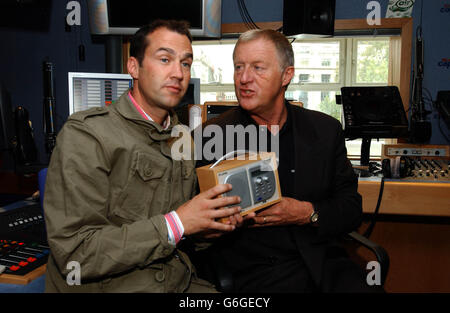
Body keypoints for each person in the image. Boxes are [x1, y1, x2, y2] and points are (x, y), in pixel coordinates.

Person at [43, 20, 242, 293]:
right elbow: (76, 253)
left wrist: (208, 226)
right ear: (133, 67)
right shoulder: (87, 135)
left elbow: (181, 231)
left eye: (185, 63)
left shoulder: (181, 137)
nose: (178, 73)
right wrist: (178, 223)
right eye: (164, 59)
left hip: (177, 281)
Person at [193, 29, 381, 292]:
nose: (244, 78)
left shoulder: (325, 131)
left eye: (258, 68)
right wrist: (214, 226)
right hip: (249, 274)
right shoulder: (208, 137)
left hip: (320, 265)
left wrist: (307, 213)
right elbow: (191, 228)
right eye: (238, 67)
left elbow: (350, 209)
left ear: (286, 75)